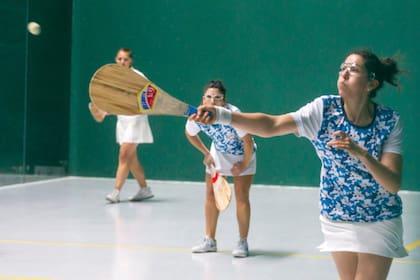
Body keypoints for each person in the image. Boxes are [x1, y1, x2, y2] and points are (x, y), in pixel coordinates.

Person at [191, 49, 407, 279]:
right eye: (342, 68)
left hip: (380, 217)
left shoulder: (389, 121)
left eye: (353, 70)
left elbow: (392, 184)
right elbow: (272, 125)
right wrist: (222, 115)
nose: (343, 74)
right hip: (336, 215)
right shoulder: (323, 110)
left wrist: (361, 153)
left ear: (371, 84)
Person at [185, 80, 257, 258]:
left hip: (243, 154)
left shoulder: (233, 115)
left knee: (241, 195)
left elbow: (248, 141)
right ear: (203, 99)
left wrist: (244, 164)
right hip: (218, 154)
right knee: (210, 193)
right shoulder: (198, 116)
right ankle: (209, 240)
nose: (212, 101)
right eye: (209, 97)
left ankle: (242, 242)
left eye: (217, 98)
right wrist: (206, 153)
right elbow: (190, 133)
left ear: (224, 101)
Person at [89, 48, 154, 203]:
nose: (122, 62)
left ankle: (116, 192)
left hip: (136, 120)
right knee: (131, 159)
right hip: (123, 122)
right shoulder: (113, 78)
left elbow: (149, 96)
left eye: (125, 59)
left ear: (130, 61)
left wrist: (133, 106)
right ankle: (144, 189)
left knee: (124, 154)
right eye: (119, 59)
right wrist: (104, 110)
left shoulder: (138, 76)